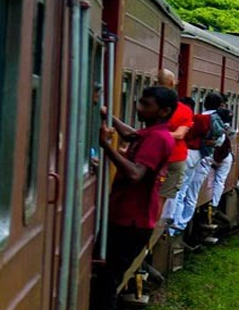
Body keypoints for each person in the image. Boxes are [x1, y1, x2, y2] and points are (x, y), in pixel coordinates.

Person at [91, 86, 177, 310]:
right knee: (104, 279)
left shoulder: (158, 139)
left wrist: (106, 147)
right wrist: (107, 114)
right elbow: (130, 134)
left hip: (130, 222)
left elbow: (135, 174)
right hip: (127, 218)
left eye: (146, 104)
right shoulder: (151, 133)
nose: (138, 107)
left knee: (106, 283)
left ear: (164, 111)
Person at [171, 92, 224, 233]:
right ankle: (181, 223)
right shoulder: (216, 119)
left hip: (190, 154)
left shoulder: (199, 119)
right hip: (201, 157)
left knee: (180, 190)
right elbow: (219, 141)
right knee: (190, 192)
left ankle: (175, 222)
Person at [158, 70, 192, 226]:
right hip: (175, 156)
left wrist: (152, 135)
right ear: (173, 84)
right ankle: (158, 222)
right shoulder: (184, 110)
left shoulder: (150, 103)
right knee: (167, 193)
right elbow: (179, 135)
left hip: (152, 153)